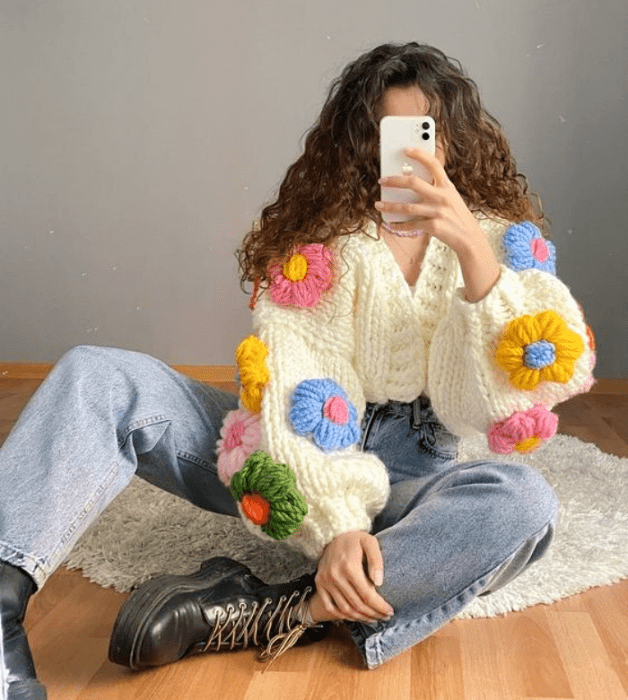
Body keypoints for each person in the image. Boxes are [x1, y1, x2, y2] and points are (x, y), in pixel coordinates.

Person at [0, 42, 595, 699]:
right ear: (359, 142)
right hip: (281, 464)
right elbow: (300, 385)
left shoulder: (499, 239)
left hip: (407, 490)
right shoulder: (321, 237)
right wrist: (336, 523)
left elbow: (498, 399)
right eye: (385, 135)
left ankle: (288, 608)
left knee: (523, 502)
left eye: (425, 133)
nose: (408, 154)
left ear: (452, 139)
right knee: (96, 374)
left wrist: (472, 256)